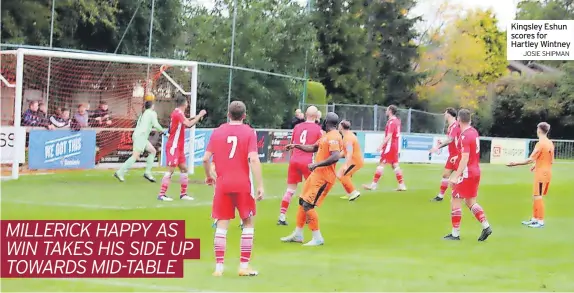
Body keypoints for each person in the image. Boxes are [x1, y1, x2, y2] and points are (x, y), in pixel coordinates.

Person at [202, 101, 264, 277]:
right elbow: (253, 158)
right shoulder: (249, 132)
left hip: (222, 184)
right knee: (247, 223)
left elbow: (206, 159)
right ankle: (244, 266)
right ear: (244, 116)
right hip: (243, 184)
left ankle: (219, 268)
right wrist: (260, 184)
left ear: (228, 114)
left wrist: (208, 176)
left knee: (222, 223)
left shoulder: (218, 132)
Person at [280, 112, 343, 246]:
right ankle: (298, 234)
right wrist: (296, 146)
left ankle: (317, 237)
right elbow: (313, 148)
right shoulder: (326, 136)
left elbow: (336, 156)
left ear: (327, 122)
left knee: (308, 205)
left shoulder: (334, 137)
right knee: (302, 201)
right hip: (316, 175)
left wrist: (316, 164)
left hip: (324, 177)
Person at [444, 109, 492, 241]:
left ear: (458, 120)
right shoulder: (473, 132)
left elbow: (465, 159)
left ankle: (455, 234)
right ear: (470, 120)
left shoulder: (464, 136)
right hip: (475, 171)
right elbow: (467, 154)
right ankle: (486, 226)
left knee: (455, 199)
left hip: (466, 173)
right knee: (470, 201)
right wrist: (457, 157)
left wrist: (455, 176)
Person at [278, 106, 322, 225]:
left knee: (290, 189)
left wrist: (292, 158)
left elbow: (292, 144)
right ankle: (308, 215)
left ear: (306, 114)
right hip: (308, 161)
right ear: (316, 116)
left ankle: (281, 216)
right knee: (312, 188)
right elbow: (319, 148)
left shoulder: (297, 127)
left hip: (294, 160)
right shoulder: (318, 130)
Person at [157, 95, 207, 201]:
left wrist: (196, 116)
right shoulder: (178, 113)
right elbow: (188, 124)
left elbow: (186, 120)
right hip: (173, 146)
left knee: (184, 169)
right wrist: (199, 116)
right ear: (185, 104)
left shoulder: (178, 113)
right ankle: (161, 194)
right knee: (171, 170)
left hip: (178, 147)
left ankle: (183, 194)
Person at [507, 122, 554, 228]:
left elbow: (530, 159)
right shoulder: (550, 143)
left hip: (542, 174)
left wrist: (515, 164)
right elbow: (549, 159)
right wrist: (536, 165)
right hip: (545, 172)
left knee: (538, 196)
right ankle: (535, 218)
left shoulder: (540, 143)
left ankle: (540, 221)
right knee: (536, 195)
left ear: (539, 130)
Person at [114, 100, 166, 183]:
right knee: (135, 156)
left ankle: (147, 172)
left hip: (139, 136)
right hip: (141, 136)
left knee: (153, 151)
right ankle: (120, 172)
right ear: (152, 106)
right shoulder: (152, 113)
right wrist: (163, 131)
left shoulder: (143, 113)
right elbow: (156, 125)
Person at [363, 105, 406, 191]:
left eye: (387, 110)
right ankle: (402, 185)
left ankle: (373, 185)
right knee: (395, 165)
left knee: (382, 163)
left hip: (389, 146)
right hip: (395, 145)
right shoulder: (397, 121)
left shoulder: (391, 122)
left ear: (390, 111)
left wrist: (381, 145)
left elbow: (389, 135)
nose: (386, 111)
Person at [429, 108, 461, 201]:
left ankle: (463, 195)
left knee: (461, 177)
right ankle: (440, 196)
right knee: (445, 175)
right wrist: (441, 143)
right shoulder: (451, 126)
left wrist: (437, 147)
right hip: (452, 155)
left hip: (458, 155)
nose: (444, 114)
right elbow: (451, 140)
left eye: (445, 113)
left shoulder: (455, 125)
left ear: (449, 114)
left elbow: (450, 140)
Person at [338, 120, 364, 201]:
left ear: (341, 127)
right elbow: (344, 151)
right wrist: (334, 157)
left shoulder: (348, 138)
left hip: (354, 161)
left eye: (339, 125)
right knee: (341, 175)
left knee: (342, 175)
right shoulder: (347, 136)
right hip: (353, 161)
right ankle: (349, 193)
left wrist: (346, 165)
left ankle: (354, 192)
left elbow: (349, 152)